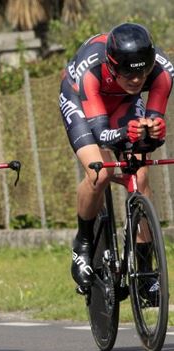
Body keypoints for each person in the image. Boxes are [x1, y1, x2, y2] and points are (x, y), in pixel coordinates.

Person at [59, 23, 173, 293]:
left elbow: (153, 127)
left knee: (141, 175)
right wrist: (127, 132)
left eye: (142, 73)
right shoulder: (91, 70)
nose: (136, 80)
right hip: (81, 99)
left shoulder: (163, 72)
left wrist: (153, 130)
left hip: (123, 103)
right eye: (127, 73)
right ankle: (83, 243)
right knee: (100, 172)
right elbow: (101, 135)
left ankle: (145, 270)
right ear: (112, 66)